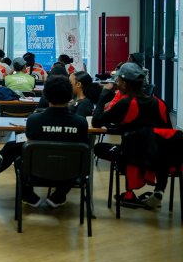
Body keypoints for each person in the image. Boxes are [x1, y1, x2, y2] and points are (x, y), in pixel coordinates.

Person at [92, 63, 171, 208]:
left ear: (124, 83)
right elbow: (168, 134)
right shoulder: (160, 104)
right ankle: (159, 189)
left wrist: (103, 96)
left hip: (129, 157)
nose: (117, 83)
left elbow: (96, 121)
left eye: (118, 80)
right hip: (157, 159)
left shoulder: (126, 103)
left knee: (98, 148)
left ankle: (129, 193)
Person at [17, 74, 90, 207]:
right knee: (79, 159)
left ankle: (29, 196)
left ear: (45, 95)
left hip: (36, 173)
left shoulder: (33, 120)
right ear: (70, 95)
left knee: (19, 158)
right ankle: (59, 195)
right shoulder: (81, 122)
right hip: (70, 174)